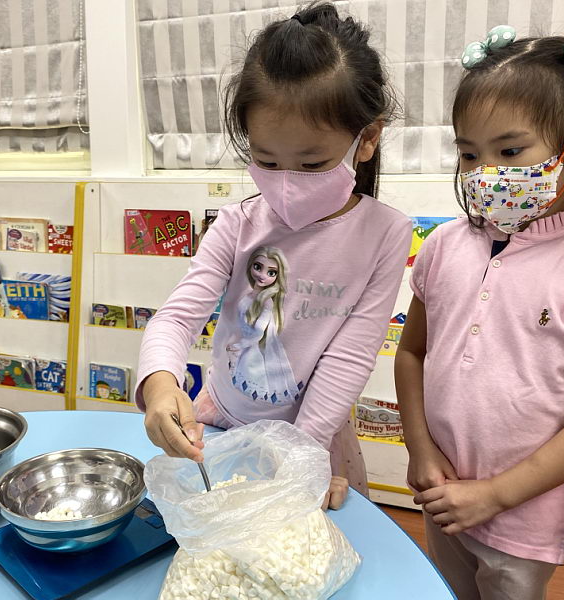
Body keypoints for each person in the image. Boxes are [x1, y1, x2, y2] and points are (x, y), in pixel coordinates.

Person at [136, 2, 411, 510]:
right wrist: (158, 384)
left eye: (313, 164)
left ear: (367, 138)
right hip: (220, 419)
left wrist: (299, 458)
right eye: (265, 160)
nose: (286, 183)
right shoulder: (237, 223)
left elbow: (348, 358)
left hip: (312, 436)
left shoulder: (385, 234)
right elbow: (176, 318)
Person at [395, 17, 564, 599]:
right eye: (468, 153)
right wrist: (419, 448)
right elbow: (411, 354)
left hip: (523, 519)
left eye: (510, 151)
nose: (486, 173)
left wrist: (494, 496)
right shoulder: (442, 246)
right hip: (442, 495)